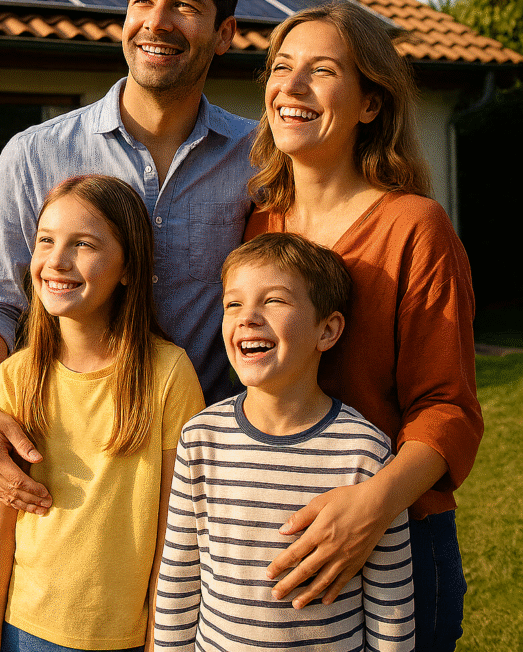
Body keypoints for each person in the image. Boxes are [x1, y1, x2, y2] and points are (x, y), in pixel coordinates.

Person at [0, 0, 255, 516]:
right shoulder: (35, 155)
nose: (156, 22)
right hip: (65, 477)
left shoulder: (259, 160)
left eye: (185, 7)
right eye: (143, 1)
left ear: (224, 34)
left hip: (215, 473)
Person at [244, 0, 483, 652]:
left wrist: (370, 510)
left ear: (369, 105)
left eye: (318, 71)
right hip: (282, 534)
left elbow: (447, 410)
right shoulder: (256, 224)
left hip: (397, 537)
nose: (289, 87)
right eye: (280, 67)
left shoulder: (415, 227)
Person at [0, 175, 204, 652]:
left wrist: (160, 639)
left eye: (83, 244)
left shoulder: (169, 375)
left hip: (129, 635)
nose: (56, 261)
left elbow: (174, 535)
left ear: (127, 267)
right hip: (27, 632)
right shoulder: (14, 379)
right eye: (46, 241)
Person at [154, 232, 414, 652]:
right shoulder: (200, 439)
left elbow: (392, 607)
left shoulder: (366, 451)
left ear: (327, 330)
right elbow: (180, 581)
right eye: (233, 303)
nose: (248, 316)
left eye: (273, 301)